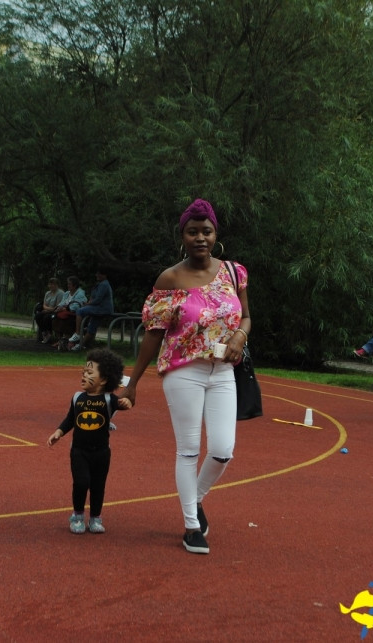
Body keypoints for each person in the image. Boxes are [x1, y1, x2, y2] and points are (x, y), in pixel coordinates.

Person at [123, 198, 251, 555]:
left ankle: (194, 499)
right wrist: (132, 383)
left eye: (206, 231)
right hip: (184, 372)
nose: (200, 238)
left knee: (224, 449)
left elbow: (246, 316)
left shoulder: (233, 272)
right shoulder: (170, 278)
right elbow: (154, 333)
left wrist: (240, 336)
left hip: (224, 369)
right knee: (189, 450)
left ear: (215, 234)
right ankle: (191, 526)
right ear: (182, 236)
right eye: (192, 232)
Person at [48, 348, 132, 534]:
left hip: (102, 452)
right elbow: (70, 418)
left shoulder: (109, 399)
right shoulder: (78, 397)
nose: (84, 375)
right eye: (83, 372)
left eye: (89, 372)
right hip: (79, 450)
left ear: (103, 379)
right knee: (81, 482)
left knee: (98, 485)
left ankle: (95, 517)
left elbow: (126, 402)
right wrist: (59, 432)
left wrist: (128, 403)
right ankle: (77, 515)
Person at [69, 267, 114, 351]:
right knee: (92, 327)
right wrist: (89, 302)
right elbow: (93, 297)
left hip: (102, 308)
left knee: (80, 311)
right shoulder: (99, 284)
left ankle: (77, 333)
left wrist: (87, 304)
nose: (97, 275)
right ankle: (80, 345)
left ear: (104, 275)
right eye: (97, 273)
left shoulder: (104, 284)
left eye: (99, 273)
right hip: (99, 308)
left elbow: (98, 300)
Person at [51, 276, 89, 350]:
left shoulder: (80, 294)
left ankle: (66, 341)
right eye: (68, 284)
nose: (68, 285)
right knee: (54, 318)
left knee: (64, 321)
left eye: (69, 284)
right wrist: (59, 307)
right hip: (65, 312)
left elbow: (76, 306)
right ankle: (60, 340)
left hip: (75, 315)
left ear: (74, 286)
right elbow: (62, 302)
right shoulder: (67, 293)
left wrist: (65, 308)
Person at [34, 277, 65, 343]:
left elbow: (58, 306)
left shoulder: (60, 293)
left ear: (57, 285)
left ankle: (49, 333)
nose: (51, 286)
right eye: (50, 284)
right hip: (48, 310)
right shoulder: (47, 293)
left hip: (56, 311)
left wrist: (48, 310)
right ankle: (44, 332)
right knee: (38, 316)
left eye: (53, 284)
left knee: (46, 317)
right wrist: (47, 309)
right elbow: (44, 305)